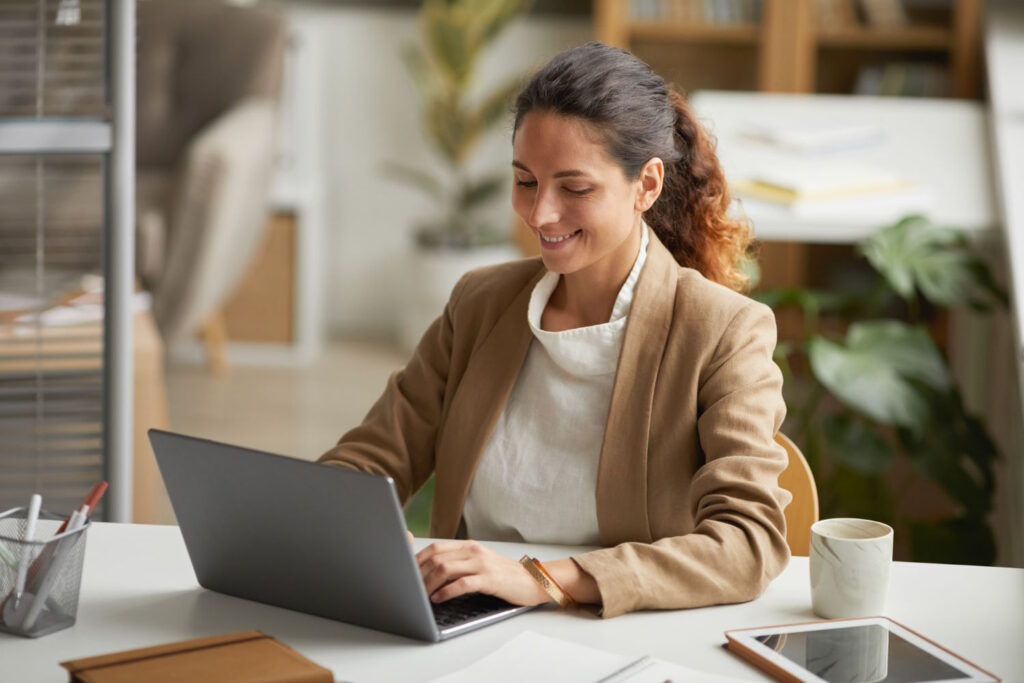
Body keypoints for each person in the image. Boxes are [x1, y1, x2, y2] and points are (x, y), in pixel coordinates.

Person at [319, 41, 791, 618]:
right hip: (472, 621)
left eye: (574, 188)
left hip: (617, 630)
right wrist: (327, 525)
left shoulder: (723, 330)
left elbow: (748, 543)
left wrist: (542, 580)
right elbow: (369, 462)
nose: (541, 214)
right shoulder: (481, 304)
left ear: (646, 185)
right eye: (525, 181)